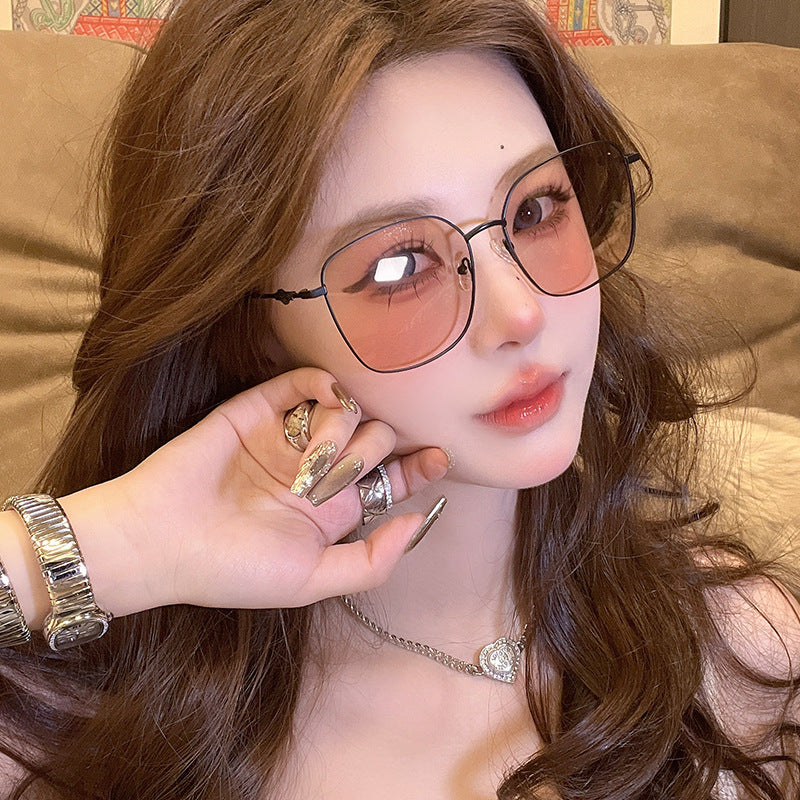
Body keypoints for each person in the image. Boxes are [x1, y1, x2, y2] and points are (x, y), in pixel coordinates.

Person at [0, 0, 798, 797]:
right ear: (249, 330)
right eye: (400, 266)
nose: (522, 314)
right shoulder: (83, 719)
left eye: (535, 211)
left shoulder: (746, 657)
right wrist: (112, 548)